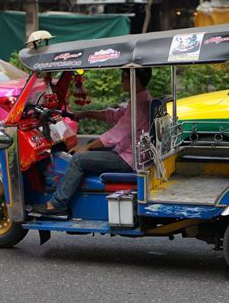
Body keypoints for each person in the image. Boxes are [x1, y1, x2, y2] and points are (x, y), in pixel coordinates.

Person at [34, 68, 153, 216]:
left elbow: (114, 135)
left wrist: (86, 147)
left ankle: (58, 204)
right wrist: (85, 114)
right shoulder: (140, 99)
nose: (121, 79)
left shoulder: (139, 106)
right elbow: (115, 115)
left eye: (123, 75)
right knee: (90, 145)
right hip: (130, 152)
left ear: (134, 79)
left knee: (78, 159)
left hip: (128, 159)